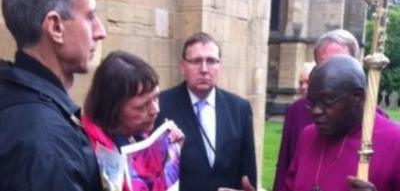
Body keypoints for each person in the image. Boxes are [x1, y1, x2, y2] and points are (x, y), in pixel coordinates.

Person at [0, 0, 106, 190]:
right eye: (90, 17)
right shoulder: (48, 146)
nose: (100, 31)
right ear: (56, 27)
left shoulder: (13, 94)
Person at [155, 32, 257, 191]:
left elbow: (248, 173)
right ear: (182, 67)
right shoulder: (161, 106)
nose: (204, 69)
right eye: (196, 61)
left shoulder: (239, 109)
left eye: (211, 61)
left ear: (219, 66)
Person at [282, 55, 400, 191]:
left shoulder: (395, 142)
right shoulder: (308, 136)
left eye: (326, 101)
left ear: (357, 96)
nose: (315, 111)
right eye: (311, 102)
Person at [272, 29, 363, 191]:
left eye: (338, 62)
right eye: (321, 65)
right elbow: (285, 172)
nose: (316, 111)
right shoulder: (300, 116)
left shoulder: (391, 139)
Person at [82, 51, 184, 191]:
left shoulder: (137, 135)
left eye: (156, 98)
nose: (156, 109)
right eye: (142, 106)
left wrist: (170, 156)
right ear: (112, 108)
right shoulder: (87, 152)